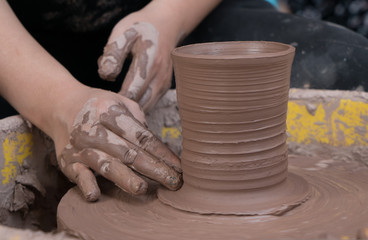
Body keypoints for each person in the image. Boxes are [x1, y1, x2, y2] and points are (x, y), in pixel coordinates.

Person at [1, 0, 368, 201]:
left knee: (343, 67)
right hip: (21, 47)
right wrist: (57, 101)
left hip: (174, 12)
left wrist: (169, 16)